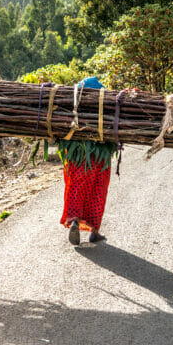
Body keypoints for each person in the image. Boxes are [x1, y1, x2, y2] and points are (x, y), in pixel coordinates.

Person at [58, 76, 118, 245]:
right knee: (97, 190)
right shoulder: (104, 106)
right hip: (98, 156)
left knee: (76, 188)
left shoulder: (71, 106)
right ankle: (94, 230)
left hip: (76, 156)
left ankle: (75, 221)